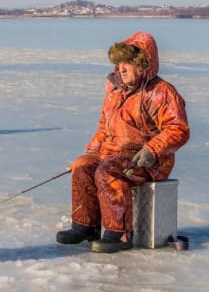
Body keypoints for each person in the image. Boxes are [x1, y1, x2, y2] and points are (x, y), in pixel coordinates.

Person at [56, 31, 190, 253]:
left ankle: (119, 233)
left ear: (142, 64)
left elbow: (178, 129)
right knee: (82, 167)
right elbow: (104, 125)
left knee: (108, 172)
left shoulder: (160, 92)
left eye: (128, 63)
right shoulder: (114, 89)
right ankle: (85, 226)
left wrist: (152, 150)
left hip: (148, 159)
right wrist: (89, 154)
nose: (121, 69)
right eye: (119, 64)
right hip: (111, 151)